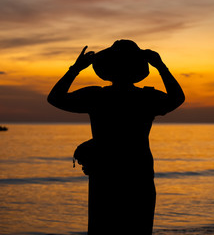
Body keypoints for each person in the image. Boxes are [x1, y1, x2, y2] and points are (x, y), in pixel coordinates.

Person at [47, 40, 185, 234]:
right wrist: (161, 66)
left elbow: (55, 98)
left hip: (105, 176)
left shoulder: (97, 96)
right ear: (138, 69)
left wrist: (76, 68)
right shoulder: (146, 98)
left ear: (108, 68)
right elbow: (177, 98)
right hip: (138, 176)